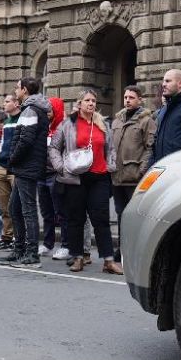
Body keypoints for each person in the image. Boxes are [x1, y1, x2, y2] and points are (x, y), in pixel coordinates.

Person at [49, 90, 121, 274]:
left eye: (93, 101)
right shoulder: (68, 124)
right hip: (75, 178)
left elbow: (111, 148)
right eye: (87, 100)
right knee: (76, 219)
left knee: (101, 220)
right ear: (79, 103)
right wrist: (60, 167)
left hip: (99, 178)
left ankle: (108, 260)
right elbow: (54, 148)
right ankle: (78, 257)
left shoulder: (103, 124)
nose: (91, 103)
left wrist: (110, 165)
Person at [0, 77, 51, 268]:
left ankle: (31, 254)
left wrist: (12, 158)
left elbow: (25, 140)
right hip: (26, 166)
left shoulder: (30, 110)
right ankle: (19, 250)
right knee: (14, 209)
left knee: (28, 210)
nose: (15, 90)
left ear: (25, 90)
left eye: (17, 88)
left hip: (27, 167)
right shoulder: (36, 108)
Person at [111, 84, 154, 263]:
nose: (127, 100)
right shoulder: (117, 119)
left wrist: (142, 171)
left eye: (131, 98)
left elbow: (149, 148)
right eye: (126, 97)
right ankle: (122, 249)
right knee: (122, 216)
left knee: (135, 217)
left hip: (134, 177)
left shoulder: (146, 120)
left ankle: (136, 252)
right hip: (117, 177)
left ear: (139, 100)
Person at [38, 95, 66, 259]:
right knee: (46, 212)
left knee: (61, 212)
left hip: (56, 175)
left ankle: (65, 245)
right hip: (42, 174)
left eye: (50, 109)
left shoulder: (62, 128)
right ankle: (48, 244)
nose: (47, 112)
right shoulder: (45, 127)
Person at [0, 93, 22, 250]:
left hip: (15, 168)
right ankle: (7, 237)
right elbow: (3, 144)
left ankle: (19, 237)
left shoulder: (22, 120)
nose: (4, 104)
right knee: (4, 206)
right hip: (2, 167)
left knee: (17, 205)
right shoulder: (7, 121)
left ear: (16, 103)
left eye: (7, 101)